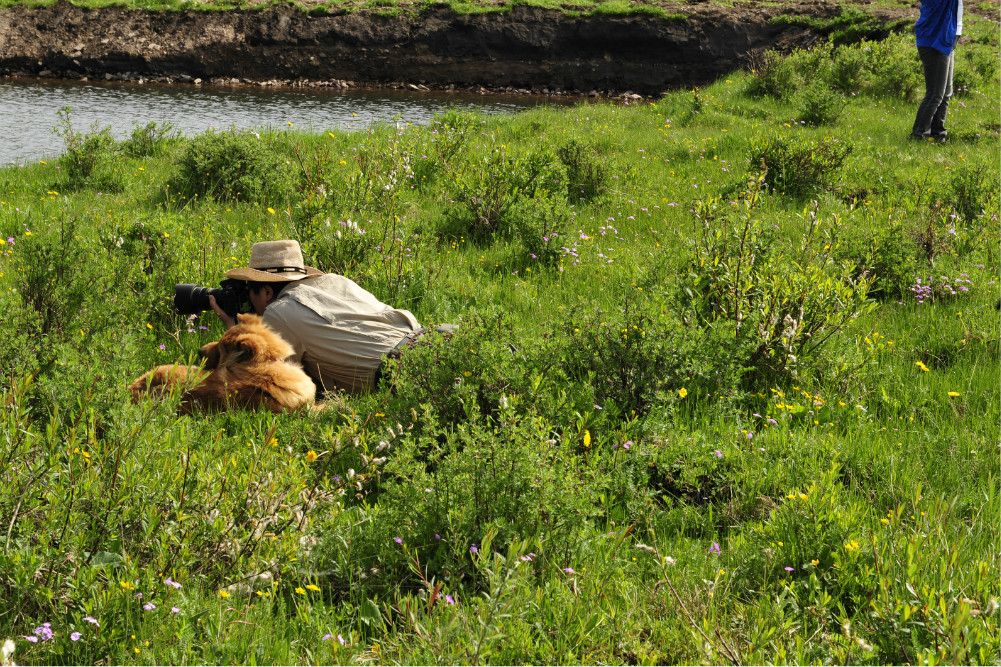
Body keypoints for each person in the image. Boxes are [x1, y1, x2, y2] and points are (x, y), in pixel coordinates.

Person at [209, 239, 424, 394]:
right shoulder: (336, 281)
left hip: (399, 371)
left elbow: (262, 381)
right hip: (429, 338)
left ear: (266, 293)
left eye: (250, 294)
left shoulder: (279, 311)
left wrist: (235, 332)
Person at [911, 0, 963, 141]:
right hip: (934, 41)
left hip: (947, 38)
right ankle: (918, 135)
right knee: (935, 94)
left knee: (946, 92)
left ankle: (938, 133)